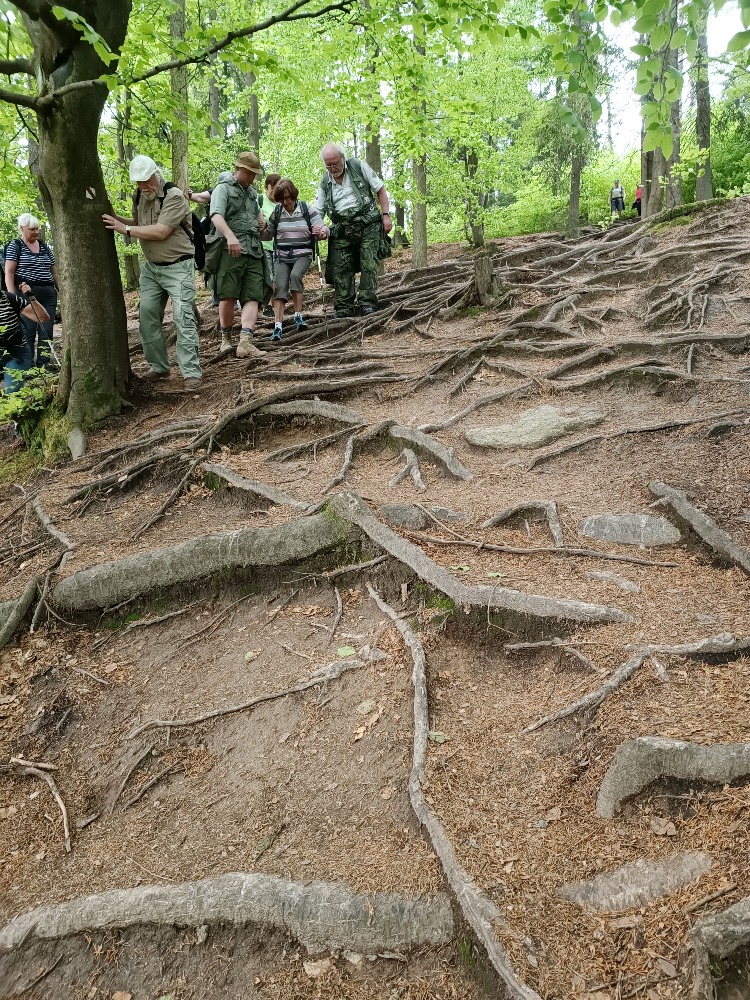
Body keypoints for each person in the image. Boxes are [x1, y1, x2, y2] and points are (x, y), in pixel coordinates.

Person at [102, 155, 202, 390]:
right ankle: (159, 366)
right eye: (138, 182)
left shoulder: (174, 196)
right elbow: (137, 223)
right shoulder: (139, 196)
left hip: (179, 267)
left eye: (146, 180)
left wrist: (124, 229)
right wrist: (115, 217)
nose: (143, 186)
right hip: (152, 269)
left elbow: (160, 232)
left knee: (183, 317)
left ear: (156, 175)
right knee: (146, 316)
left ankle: (191, 372)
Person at [313, 143, 392, 318]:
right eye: (328, 165)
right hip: (342, 228)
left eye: (335, 163)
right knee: (340, 267)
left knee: (368, 262)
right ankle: (343, 307)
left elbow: (380, 189)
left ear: (343, 158)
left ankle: (367, 302)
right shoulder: (325, 181)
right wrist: (320, 228)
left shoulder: (358, 166)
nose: (332, 168)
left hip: (368, 224)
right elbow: (317, 211)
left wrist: (386, 215)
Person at [208, 151, 269, 358]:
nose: (252, 177)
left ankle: (246, 342)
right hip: (230, 250)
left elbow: (256, 212)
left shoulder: (252, 193)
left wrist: (261, 221)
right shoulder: (222, 188)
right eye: (249, 172)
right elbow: (216, 215)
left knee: (254, 294)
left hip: (253, 249)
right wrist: (230, 236)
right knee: (227, 293)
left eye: (255, 173)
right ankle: (225, 340)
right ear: (239, 169)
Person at [261, 178, 328, 341]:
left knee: (295, 276)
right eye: (283, 199)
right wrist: (259, 229)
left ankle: (298, 316)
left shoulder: (306, 208)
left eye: (289, 197)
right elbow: (268, 234)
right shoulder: (277, 212)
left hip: (303, 253)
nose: (286, 201)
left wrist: (323, 232)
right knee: (279, 285)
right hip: (282, 256)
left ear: (294, 195)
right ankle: (278, 327)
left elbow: (322, 225)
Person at [4, 214, 59, 369]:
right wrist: (13, 297)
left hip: (48, 293)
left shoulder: (44, 247)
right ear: (22, 228)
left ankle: (44, 364)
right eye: (32, 229)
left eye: (37, 229)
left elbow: (54, 272)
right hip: (27, 292)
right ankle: (26, 366)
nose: (36, 232)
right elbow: (9, 272)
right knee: (28, 330)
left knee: (46, 330)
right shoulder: (16, 246)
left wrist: (61, 291)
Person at [0, 280, 49, 394]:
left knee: (13, 394)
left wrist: (31, 296)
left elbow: (42, 318)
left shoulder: (10, 299)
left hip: (15, 353)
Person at [260, 173, 281, 317]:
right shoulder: (259, 200)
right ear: (268, 186)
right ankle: (266, 305)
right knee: (268, 275)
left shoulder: (281, 203)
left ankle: (276, 305)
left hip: (280, 246)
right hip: (264, 244)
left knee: (278, 277)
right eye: (274, 188)